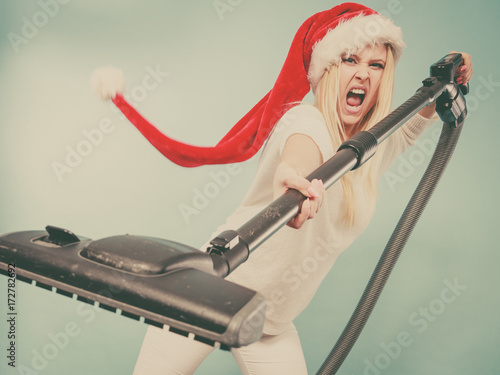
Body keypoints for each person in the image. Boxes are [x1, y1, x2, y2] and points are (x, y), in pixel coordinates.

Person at [92, 3, 473, 374]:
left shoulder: (373, 146)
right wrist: (292, 179)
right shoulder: (305, 120)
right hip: (207, 293)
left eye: (376, 65)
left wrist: (449, 76)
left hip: (269, 323)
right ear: (327, 69)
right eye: (350, 60)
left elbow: (408, 128)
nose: (363, 76)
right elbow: (298, 154)